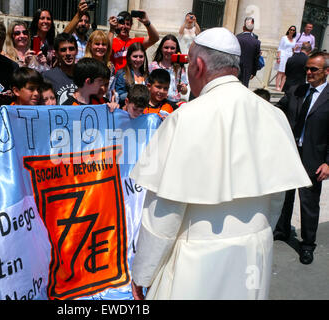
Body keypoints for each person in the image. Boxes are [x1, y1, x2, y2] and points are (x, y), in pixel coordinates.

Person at [129, 27, 310, 300]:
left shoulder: (184, 119)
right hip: (253, 256)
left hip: (197, 263)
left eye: (189, 63)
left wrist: (142, 274)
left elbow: (163, 215)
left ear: (199, 65)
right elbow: (276, 200)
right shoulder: (274, 115)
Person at [274, 52, 329, 265]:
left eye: (313, 69)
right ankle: (282, 229)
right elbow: (280, 108)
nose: (308, 73)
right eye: (307, 68)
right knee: (285, 195)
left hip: (313, 158)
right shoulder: (298, 90)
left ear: (326, 71)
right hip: (291, 153)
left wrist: (327, 163)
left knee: (308, 202)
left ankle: (307, 244)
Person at [149, 34, 188, 103]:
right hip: (157, 103)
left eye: (172, 48)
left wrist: (182, 88)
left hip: (174, 102)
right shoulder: (153, 66)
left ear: (176, 50)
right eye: (166, 47)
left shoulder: (179, 68)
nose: (169, 51)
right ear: (161, 48)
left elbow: (184, 92)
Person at [42, 33, 78, 105]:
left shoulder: (84, 76)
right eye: (63, 50)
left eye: (71, 49)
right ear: (56, 53)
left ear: (77, 51)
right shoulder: (47, 77)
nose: (68, 53)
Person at [84, 30, 116, 100]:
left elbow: (111, 89)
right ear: (90, 45)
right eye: (97, 44)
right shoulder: (84, 65)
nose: (101, 47)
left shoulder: (111, 67)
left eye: (104, 44)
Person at [236, 17, 261, 87]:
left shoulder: (237, 37)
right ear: (252, 28)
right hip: (247, 69)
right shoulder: (256, 42)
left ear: (243, 27)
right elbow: (256, 58)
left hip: (236, 66)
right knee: (244, 87)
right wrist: (254, 72)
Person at [274, 26, 297, 91]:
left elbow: (292, 49)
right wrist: (278, 57)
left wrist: (295, 50)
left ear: (294, 31)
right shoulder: (284, 38)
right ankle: (277, 86)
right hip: (283, 55)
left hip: (290, 56)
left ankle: (282, 87)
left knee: (286, 73)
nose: (292, 31)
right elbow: (280, 48)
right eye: (291, 29)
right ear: (288, 30)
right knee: (280, 72)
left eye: (293, 30)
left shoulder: (294, 40)